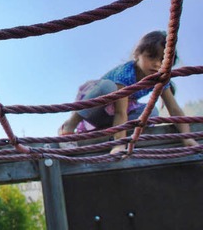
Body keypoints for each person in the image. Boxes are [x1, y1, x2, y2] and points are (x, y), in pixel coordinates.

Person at [58, 30, 197, 154]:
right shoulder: (125, 74)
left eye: (162, 60)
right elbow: (120, 112)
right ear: (138, 54)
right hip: (94, 108)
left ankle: (109, 132)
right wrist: (119, 145)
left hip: (113, 115)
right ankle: (69, 126)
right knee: (107, 86)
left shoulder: (160, 78)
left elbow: (174, 108)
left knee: (152, 112)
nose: (157, 64)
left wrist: (187, 137)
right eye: (151, 57)